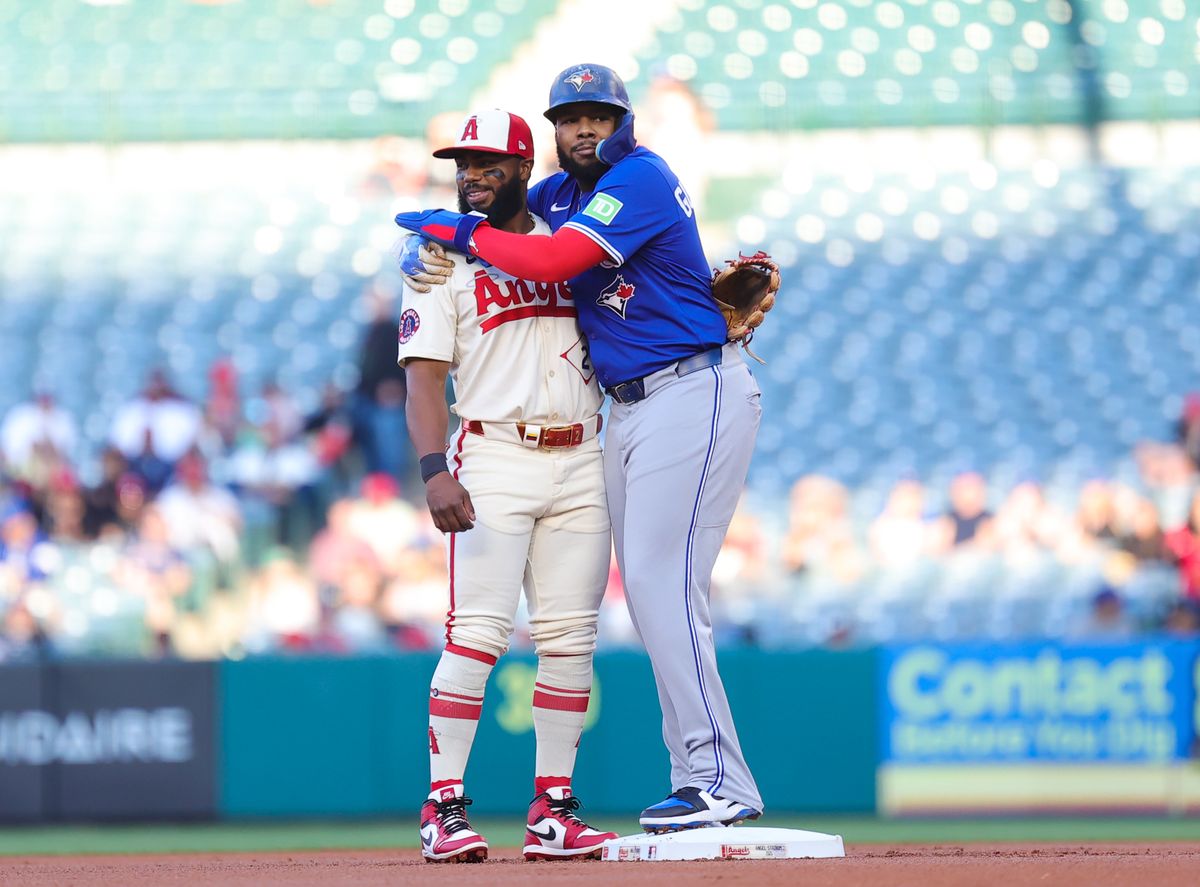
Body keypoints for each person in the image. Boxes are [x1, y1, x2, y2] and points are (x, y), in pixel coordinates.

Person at [395, 65, 765, 832]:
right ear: (553, 132)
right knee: (650, 592)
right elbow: (500, 212)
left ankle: (718, 778)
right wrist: (430, 250)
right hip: (619, 412)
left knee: (661, 590)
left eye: (600, 115)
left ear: (625, 122)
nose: (585, 129)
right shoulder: (557, 196)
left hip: (688, 385)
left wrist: (452, 231)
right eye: (571, 117)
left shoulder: (640, 176)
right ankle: (696, 775)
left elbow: (553, 260)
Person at [397, 108, 616, 862]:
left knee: (569, 641)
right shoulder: (437, 256)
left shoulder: (571, 243)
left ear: (525, 167)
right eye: (463, 164)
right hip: (493, 452)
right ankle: (443, 803)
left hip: (583, 451)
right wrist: (434, 470)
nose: (471, 175)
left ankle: (553, 807)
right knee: (477, 633)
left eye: (488, 162)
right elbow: (423, 379)